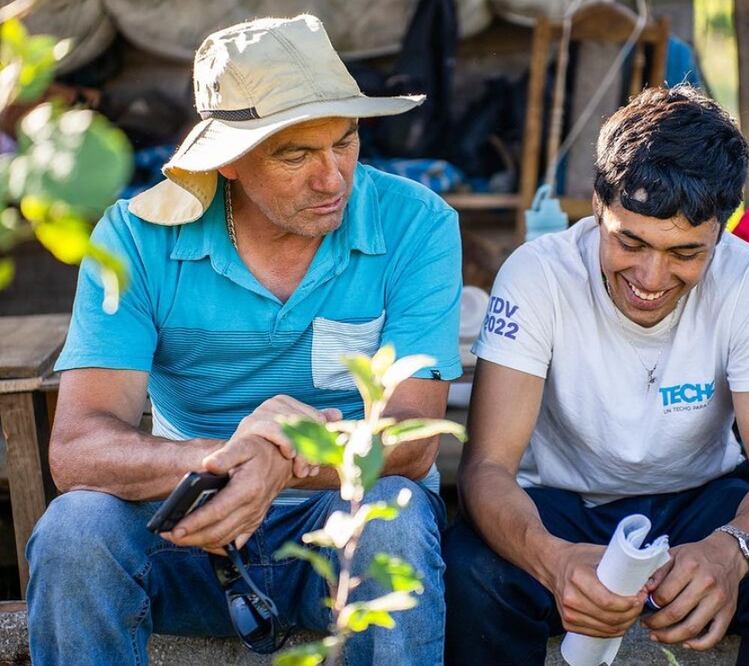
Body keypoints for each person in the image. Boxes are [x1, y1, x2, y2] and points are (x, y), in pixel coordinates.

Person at [26, 15, 462, 665]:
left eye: (345, 141)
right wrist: (231, 462)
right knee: (73, 528)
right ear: (227, 161)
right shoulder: (135, 236)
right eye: (296, 155)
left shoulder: (416, 222)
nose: (333, 177)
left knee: (395, 514)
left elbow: (412, 442)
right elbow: (78, 451)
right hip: (190, 531)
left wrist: (281, 461)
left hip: (339, 530)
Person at [444, 85, 749, 666]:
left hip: (701, 507)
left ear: (723, 228)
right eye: (630, 241)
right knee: (472, 571)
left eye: (686, 254)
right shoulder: (538, 275)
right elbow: (486, 470)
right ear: (598, 206)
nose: (651, 276)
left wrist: (731, 552)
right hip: (563, 509)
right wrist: (556, 560)